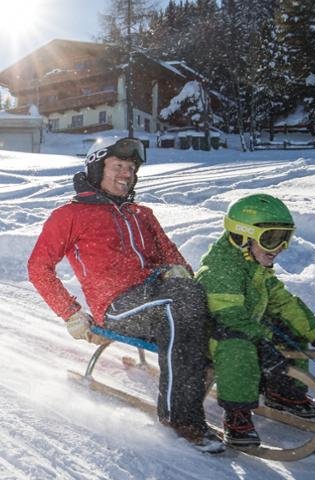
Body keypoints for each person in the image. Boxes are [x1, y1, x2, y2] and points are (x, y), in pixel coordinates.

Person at [27, 137, 224, 453]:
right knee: (177, 307)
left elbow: (170, 254)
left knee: (204, 299)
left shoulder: (141, 213)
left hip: (157, 293)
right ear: (96, 167)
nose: (126, 174)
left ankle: (242, 383)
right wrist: (70, 312)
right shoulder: (70, 215)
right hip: (118, 305)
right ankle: (181, 417)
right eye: (118, 166)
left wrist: (179, 273)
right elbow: (39, 267)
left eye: (131, 168)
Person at [195, 193, 315, 448]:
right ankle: (237, 414)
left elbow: (284, 303)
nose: (279, 248)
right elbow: (231, 318)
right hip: (212, 339)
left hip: (245, 329)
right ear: (242, 236)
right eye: (271, 239)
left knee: (287, 328)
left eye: (284, 238)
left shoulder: (255, 267)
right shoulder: (219, 270)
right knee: (239, 347)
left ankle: (283, 392)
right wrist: (263, 343)